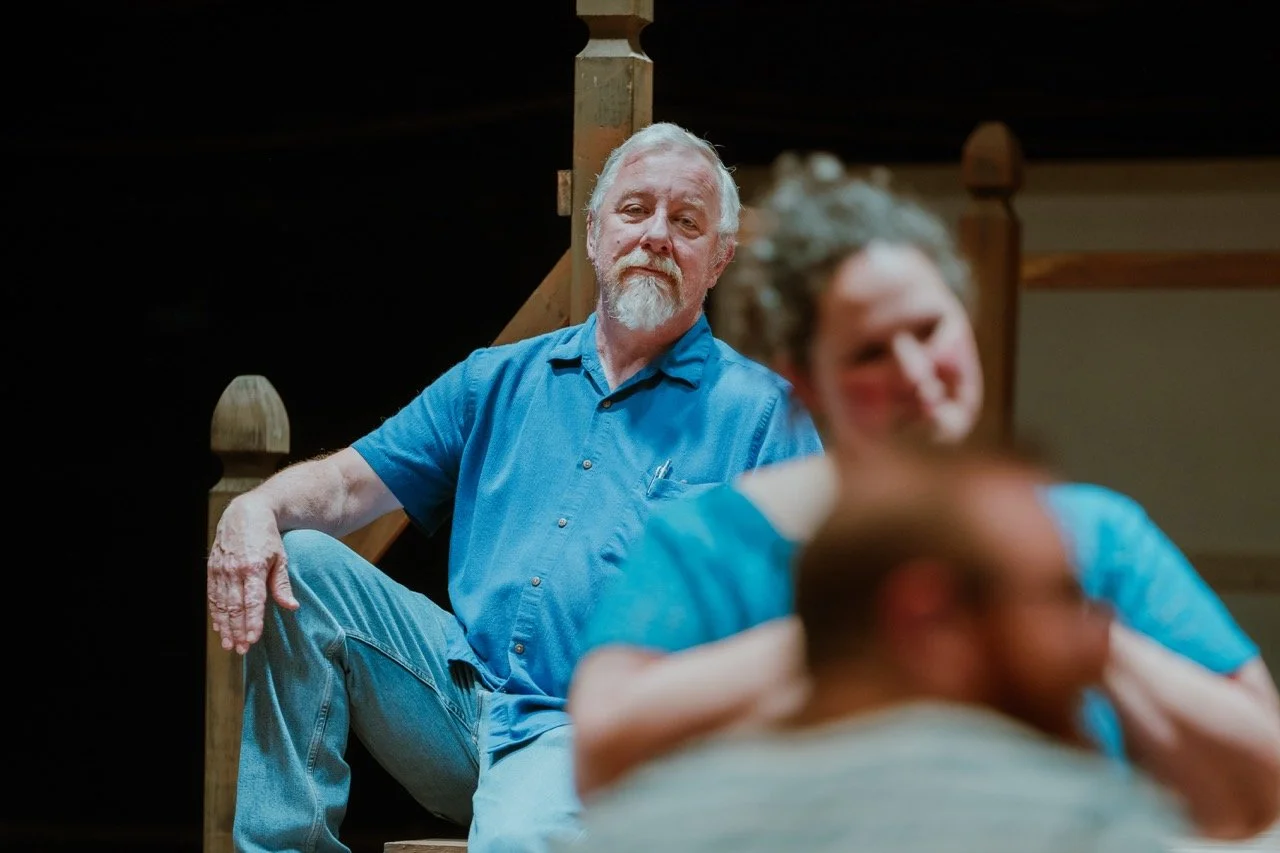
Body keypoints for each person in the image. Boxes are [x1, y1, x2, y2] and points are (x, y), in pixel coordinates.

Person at [569, 153, 1280, 840]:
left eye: (929, 329)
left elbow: (1262, 771)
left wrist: (1058, 623)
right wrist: (857, 639)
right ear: (806, 382)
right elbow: (602, 758)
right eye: (869, 353)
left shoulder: (1088, 535)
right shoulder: (712, 542)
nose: (914, 372)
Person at [204, 122, 823, 853]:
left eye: (686, 222)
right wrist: (257, 505)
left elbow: (806, 626)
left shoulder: (763, 416)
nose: (657, 234)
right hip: (460, 701)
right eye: (634, 211)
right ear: (594, 235)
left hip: (600, 735)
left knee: (522, 836)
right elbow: (345, 486)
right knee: (303, 564)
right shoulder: (495, 379)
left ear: (717, 259)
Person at [564, 444, 1186, 853]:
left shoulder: (634, 836)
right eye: (1058, 596)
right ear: (926, 620)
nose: (1092, 637)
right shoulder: (1096, 832)